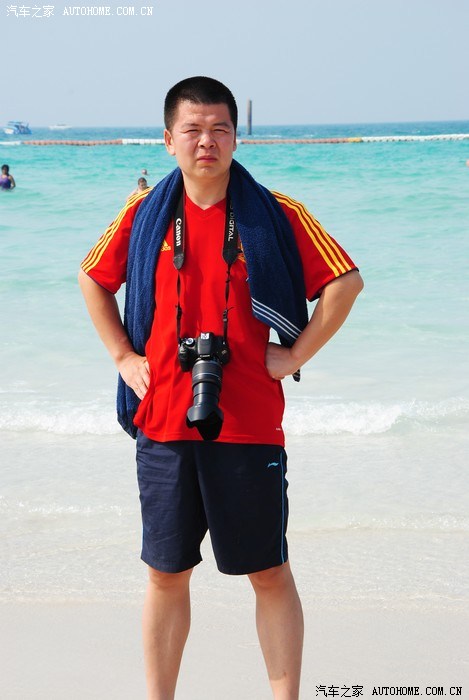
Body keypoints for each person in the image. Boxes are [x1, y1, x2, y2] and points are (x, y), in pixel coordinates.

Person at [78, 76, 363, 700]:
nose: (206, 141)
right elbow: (92, 278)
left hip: (249, 423)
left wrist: (295, 355)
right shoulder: (144, 213)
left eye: (219, 129)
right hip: (163, 422)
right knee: (165, 575)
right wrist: (123, 355)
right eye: (193, 129)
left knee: (268, 573)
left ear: (236, 137)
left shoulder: (277, 213)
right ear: (168, 140)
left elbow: (345, 282)